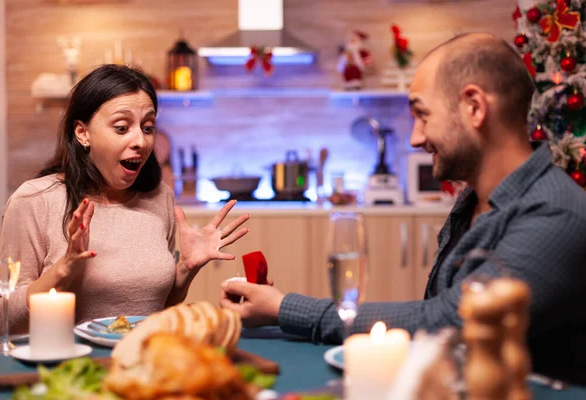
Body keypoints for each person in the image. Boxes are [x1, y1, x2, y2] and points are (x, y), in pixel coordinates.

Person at [221, 33, 586, 382]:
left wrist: (284, 308)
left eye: (422, 114)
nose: (415, 137)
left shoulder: (553, 214)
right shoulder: (473, 203)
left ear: (475, 107)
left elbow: (449, 323)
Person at [0, 64, 249, 335]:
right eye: (122, 127)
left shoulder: (159, 197)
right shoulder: (34, 201)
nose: (140, 140)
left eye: (147, 127)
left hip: (145, 366)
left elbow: (155, 307)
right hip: (70, 370)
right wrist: (65, 268)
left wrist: (185, 269)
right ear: (82, 132)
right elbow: (3, 321)